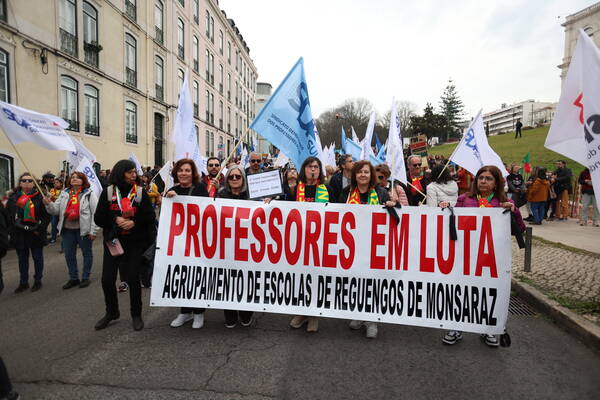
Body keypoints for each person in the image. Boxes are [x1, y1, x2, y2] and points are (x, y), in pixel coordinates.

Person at [442, 165, 525, 347]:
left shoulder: (502, 203)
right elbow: (451, 222)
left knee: (487, 293)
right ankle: (456, 327)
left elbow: (519, 228)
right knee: (461, 291)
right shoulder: (465, 199)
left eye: (488, 178)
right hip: (465, 255)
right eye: (481, 178)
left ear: (496, 183)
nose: (484, 181)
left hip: (490, 257)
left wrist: (513, 211)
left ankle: (487, 329)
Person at [93, 160, 155, 331]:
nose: (134, 175)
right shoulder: (108, 192)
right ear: (120, 173)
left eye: (135, 172)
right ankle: (112, 312)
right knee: (107, 279)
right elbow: (98, 218)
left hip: (134, 243)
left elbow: (150, 218)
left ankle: (136, 314)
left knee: (133, 279)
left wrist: (134, 222)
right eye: (129, 172)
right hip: (113, 242)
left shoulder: (141, 193)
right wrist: (115, 219)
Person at [338, 161, 395, 339]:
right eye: (359, 172)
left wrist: (393, 205)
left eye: (366, 172)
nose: (363, 175)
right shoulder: (346, 193)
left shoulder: (381, 192)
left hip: (374, 245)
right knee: (355, 282)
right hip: (352, 244)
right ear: (354, 175)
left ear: (371, 175)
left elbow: (396, 214)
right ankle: (359, 314)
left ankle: (372, 320)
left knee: (372, 283)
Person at [286, 157, 334, 332]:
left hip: (320, 240)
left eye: (316, 167)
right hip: (299, 239)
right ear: (303, 169)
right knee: (300, 278)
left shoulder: (327, 189)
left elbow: (339, 210)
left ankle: (314, 315)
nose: (313, 169)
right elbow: (283, 209)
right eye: (309, 166)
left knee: (316, 277)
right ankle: (302, 312)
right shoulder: (295, 189)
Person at [166, 159, 209, 329]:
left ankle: (198, 313)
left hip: (197, 240)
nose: (183, 173)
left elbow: (206, 211)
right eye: (181, 170)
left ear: (193, 173)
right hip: (179, 242)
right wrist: (167, 200)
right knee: (182, 276)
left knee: (196, 275)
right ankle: (184, 311)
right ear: (176, 172)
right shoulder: (171, 190)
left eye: (187, 170)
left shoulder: (200, 189)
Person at [44, 171, 99, 289]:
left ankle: (85, 277)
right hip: (67, 230)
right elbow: (55, 210)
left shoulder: (89, 194)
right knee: (69, 255)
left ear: (83, 180)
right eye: (72, 177)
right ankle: (73, 278)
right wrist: (48, 204)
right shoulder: (64, 193)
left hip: (83, 231)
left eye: (78, 178)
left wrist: (93, 231)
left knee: (86, 254)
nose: (74, 179)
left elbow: (95, 214)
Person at [216, 165, 255, 328]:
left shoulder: (252, 196)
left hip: (247, 246)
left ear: (243, 179)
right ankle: (230, 314)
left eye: (237, 177)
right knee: (227, 280)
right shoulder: (220, 195)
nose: (234, 180)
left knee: (246, 280)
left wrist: (267, 203)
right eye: (231, 177)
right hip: (226, 246)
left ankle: (246, 313)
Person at [7, 173, 51, 293]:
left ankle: (37, 280)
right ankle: (23, 282)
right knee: (22, 259)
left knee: (37, 258)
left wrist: (39, 229)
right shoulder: (13, 198)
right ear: (19, 183)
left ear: (34, 183)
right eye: (24, 180)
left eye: (30, 181)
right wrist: (11, 231)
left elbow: (47, 217)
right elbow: (8, 216)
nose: (27, 183)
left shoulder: (40, 197)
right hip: (19, 234)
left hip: (35, 232)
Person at [48, 178, 63, 243]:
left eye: (57, 182)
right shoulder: (52, 190)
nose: (55, 184)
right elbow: (52, 198)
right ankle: (53, 238)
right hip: (55, 210)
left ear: (61, 183)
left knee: (63, 225)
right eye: (54, 183)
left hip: (62, 210)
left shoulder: (64, 190)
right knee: (54, 224)